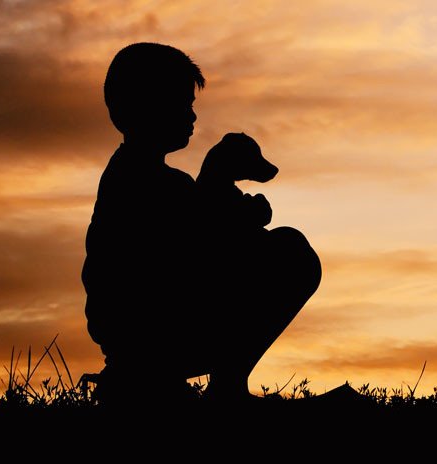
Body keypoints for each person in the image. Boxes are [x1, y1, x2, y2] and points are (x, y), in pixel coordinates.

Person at [81, 42, 322, 404]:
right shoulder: (150, 184)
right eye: (183, 104)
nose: (192, 116)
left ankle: (155, 378)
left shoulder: (132, 176)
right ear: (148, 106)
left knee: (280, 246)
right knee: (292, 252)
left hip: (139, 336)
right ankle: (215, 387)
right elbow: (207, 239)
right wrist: (248, 216)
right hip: (153, 334)